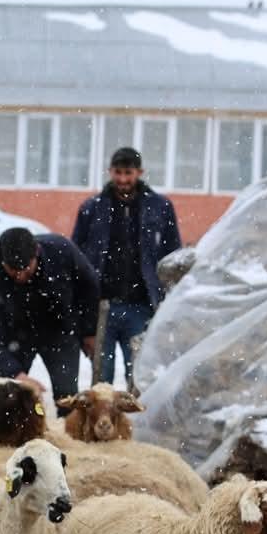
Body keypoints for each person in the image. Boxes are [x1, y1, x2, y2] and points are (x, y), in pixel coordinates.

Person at [72, 147, 182, 393]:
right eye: (118, 173)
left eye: (128, 173)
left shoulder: (160, 207)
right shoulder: (92, 208)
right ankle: (102, 429)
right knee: (102, 378)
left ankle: (135, 428)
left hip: (142, 305)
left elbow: (173, 256)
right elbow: (76, 257)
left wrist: (169, 300)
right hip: (103, 306)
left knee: (140, 376)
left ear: (140, 173)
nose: (123, 179)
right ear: (110, 171)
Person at [0, 225, 100, 401]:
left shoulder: (61, 250)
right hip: (14, 334)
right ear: (2, 262)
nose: (20, 276)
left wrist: (89, 331)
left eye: (25, 269)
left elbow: (90, 287)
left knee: (67, 395)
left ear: (36, 254)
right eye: (13, 271)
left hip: (59, 328)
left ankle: (64, 424)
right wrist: (17, 375)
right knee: (7, 397)